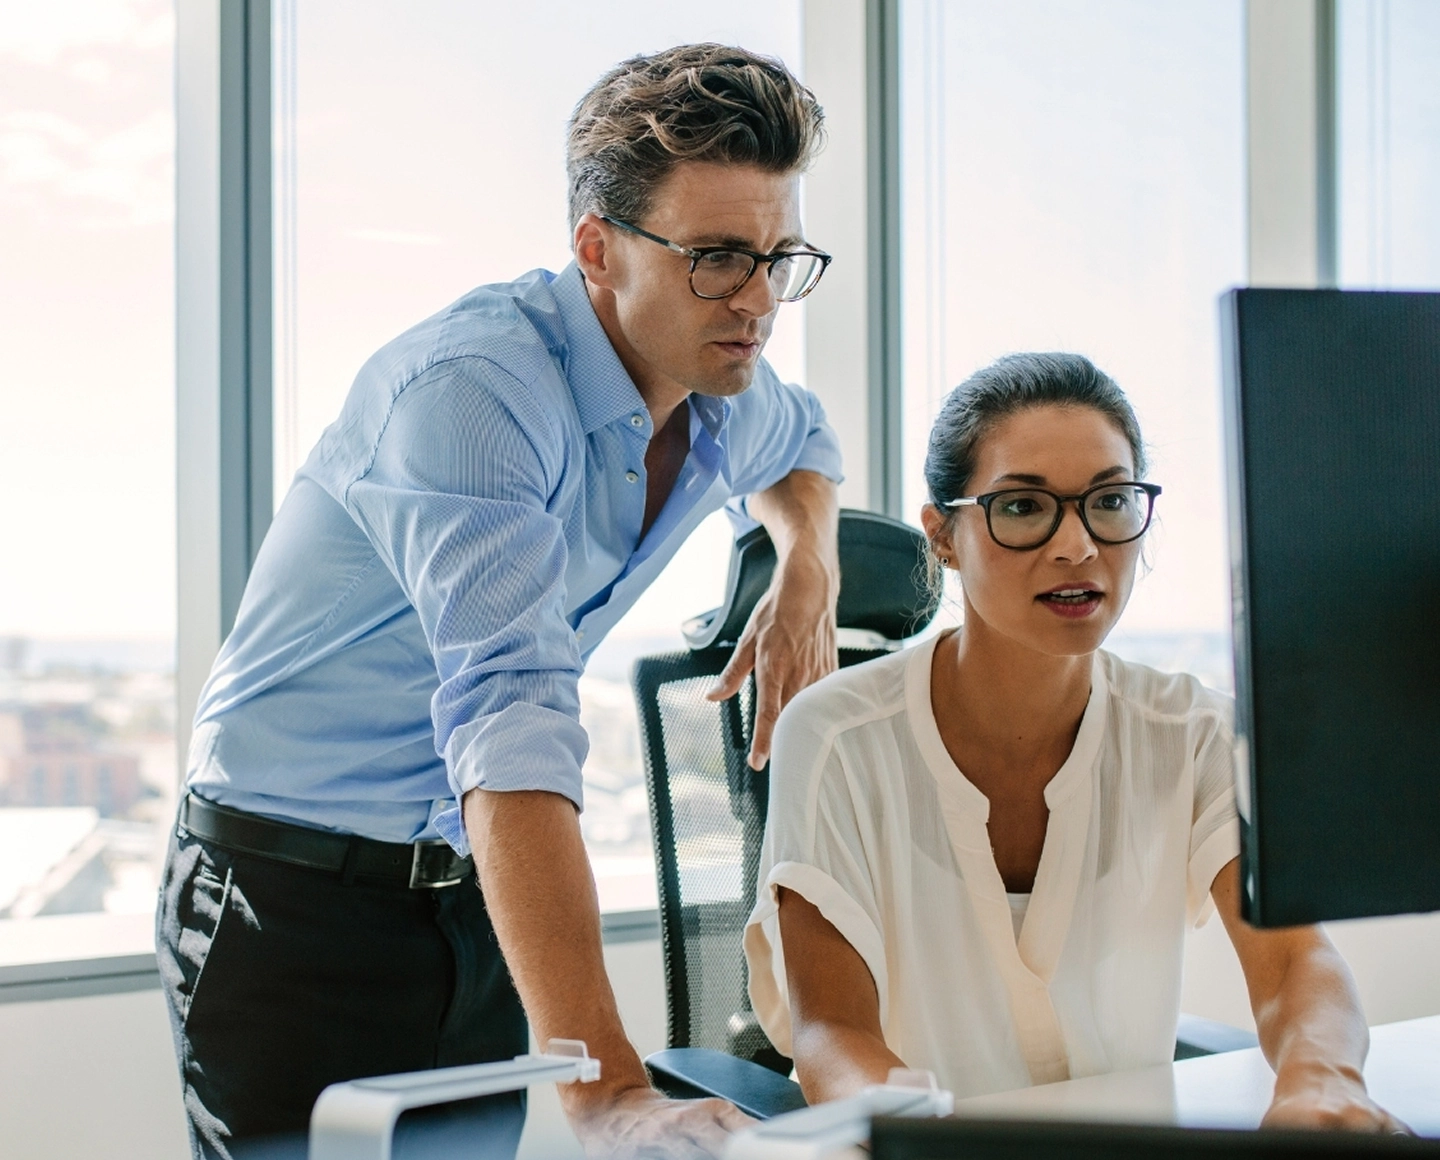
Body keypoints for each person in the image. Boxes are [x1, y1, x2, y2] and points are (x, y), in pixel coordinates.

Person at [158, 44, 844, 1160]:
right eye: (719, 258)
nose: (760, 301)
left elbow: (807, 442)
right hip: (289, 895)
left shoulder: (726, 388)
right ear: (597, 249)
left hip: (473, 894)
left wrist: (805, 562)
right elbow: (513, 726)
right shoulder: (474, 394)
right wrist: (610, 1093)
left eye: (780, 257)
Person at [743, 353, 1407, 1131]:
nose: (1077, 546)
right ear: (945, 535)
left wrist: (1319, 1081)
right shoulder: (834, 735)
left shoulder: (1191, 734)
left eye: (1110, 501)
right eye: (1024, 507)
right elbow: (832, 1033)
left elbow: (1297, 963)